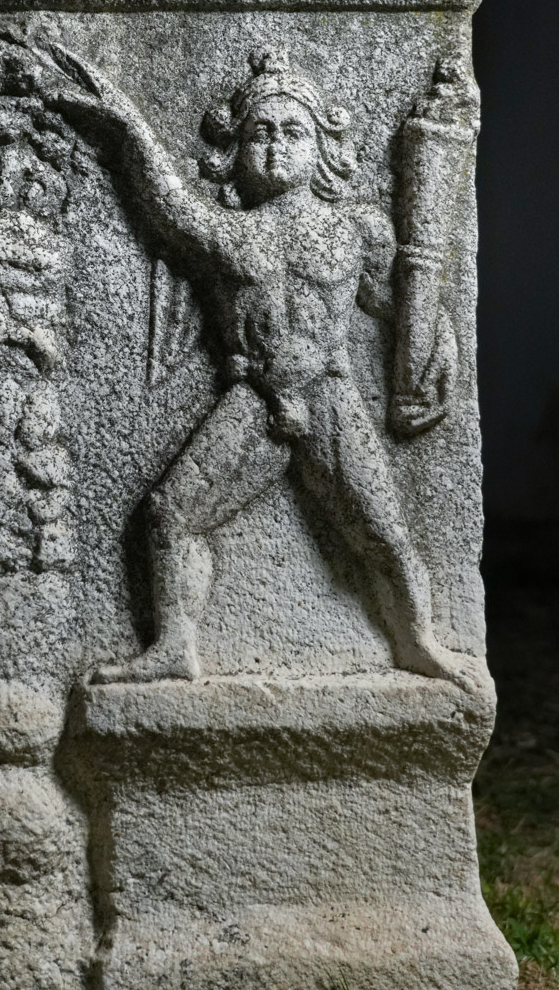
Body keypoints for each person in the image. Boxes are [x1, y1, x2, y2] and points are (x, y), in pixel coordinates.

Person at [32, 41, 463, 684]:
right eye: (261, 133)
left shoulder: (356, 230)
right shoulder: (229, 232)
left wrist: (440, 343)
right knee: (170, 514)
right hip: (256, 400)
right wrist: (122, 121)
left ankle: (419, 642)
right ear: (235, 149)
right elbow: (163, 198)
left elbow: (403, 306)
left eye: (294, 132)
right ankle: (175, 646)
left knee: (386, 533)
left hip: (328, 396)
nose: (276, 146)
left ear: (324, 149)